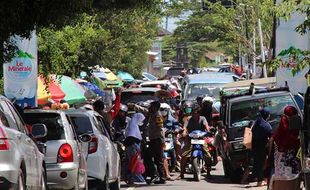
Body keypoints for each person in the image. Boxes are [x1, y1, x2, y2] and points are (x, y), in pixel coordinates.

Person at [177, 105, 212, 179]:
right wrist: (184, 132)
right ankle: (181, 174)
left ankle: (208, 172)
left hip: (201, 139)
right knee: (184, 155)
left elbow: (206, 127)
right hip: (190, 139)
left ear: (199, 113)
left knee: (208, 155)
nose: (194, 114)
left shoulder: (203, 118)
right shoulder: (188, 119)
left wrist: (208, 131)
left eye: (195, 113)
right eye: (193, 113)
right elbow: (184, 128)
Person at [271, 106, 301, 190]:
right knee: (286, 174)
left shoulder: (291, 121)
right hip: (284, 153)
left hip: (289, 153)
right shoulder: (284, 121)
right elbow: (288, 135)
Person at [122, 113, 146, 186]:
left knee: (131, 162)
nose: (142, 121)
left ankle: (130, 180)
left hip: (132, 146)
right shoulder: (133, 126)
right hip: (133, 146)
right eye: (141, 119)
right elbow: (133, 137)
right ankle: (136, 179)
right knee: (134, 163)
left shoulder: (133, 125)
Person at [251, 108, 272, 187]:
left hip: (255, 147)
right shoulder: (266, 125)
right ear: (266, 115)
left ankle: (259, 181)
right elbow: (270, 136)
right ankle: (261, 182)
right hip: (263, 148)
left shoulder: (257, 123)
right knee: (263, 164)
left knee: (257, 164)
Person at [148, 101, 166, 184]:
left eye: (152, 106)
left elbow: (161, 129)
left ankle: (161, 177)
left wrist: (162, 141)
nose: (150, 107)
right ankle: (156, 176)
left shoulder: (158, 115)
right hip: (153, 140)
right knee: (152, 158)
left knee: (158, 160)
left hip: (157, 140)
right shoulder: (153, 114)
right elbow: (145, 111)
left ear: (155, 107)